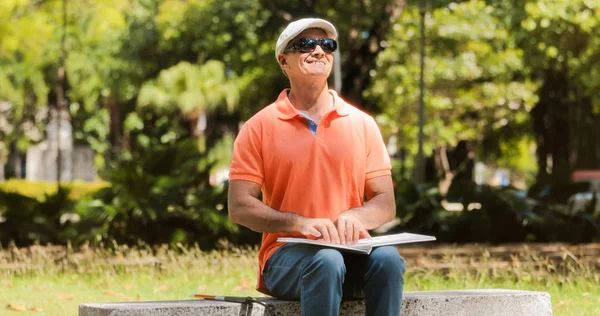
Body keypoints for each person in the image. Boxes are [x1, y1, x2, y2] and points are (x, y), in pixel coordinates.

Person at [228, 17, 405, 316]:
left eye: (327, 45)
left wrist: (356, 215)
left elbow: (385, 202)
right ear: (284, 61)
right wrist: (301, 224)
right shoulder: (259, 127)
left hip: (351, 252)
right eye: (306, 45)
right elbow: (240, 207)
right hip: (287, 258)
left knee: (388, 259)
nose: (319, 51)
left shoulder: (362, 124)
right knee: (326, 261)